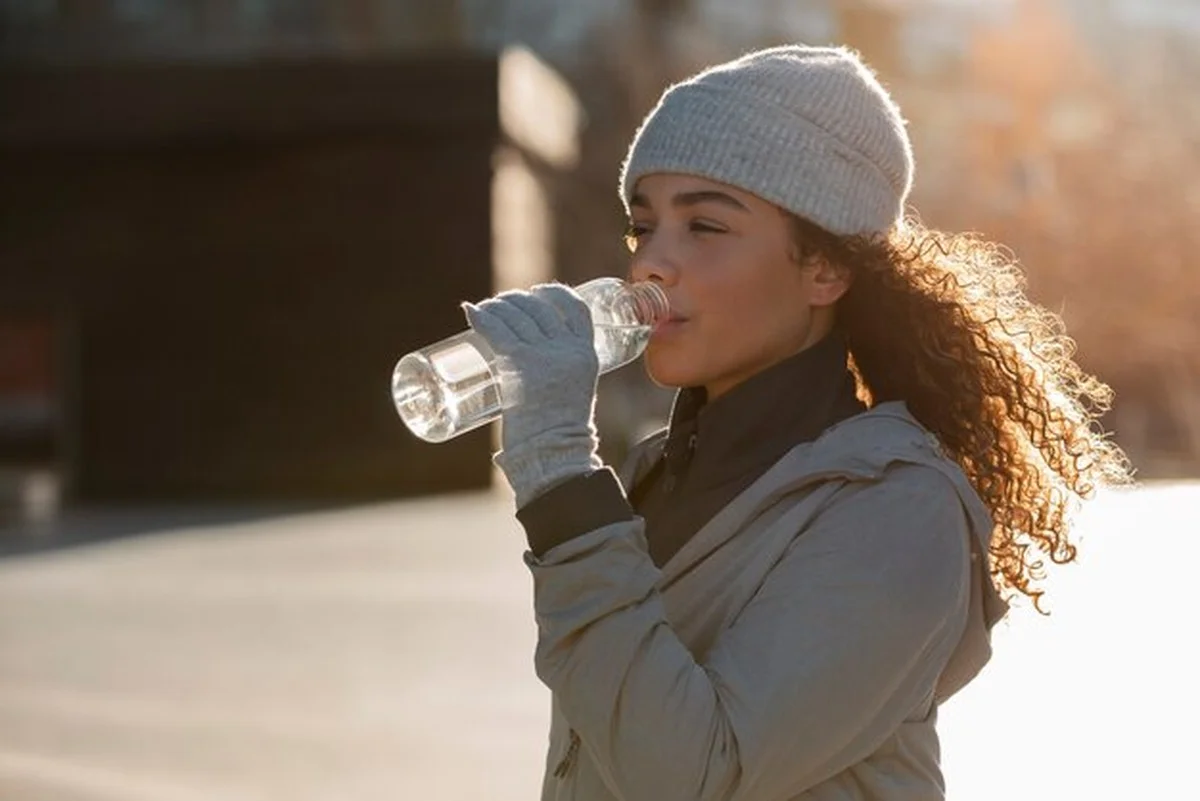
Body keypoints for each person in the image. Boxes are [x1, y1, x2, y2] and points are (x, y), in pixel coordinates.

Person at [462, 44, 1132, 801]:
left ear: (825, 269)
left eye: (704, 226)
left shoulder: (898, 505)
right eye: (643, 227)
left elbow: (694, 774)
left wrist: (559, 472)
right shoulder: (659, 470)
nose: (650, 263)